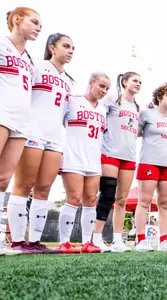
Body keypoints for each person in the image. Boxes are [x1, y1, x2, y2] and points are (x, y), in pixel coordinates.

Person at [7, 33, 73, 254]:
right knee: (23, 186)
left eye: (73, 47)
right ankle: (17, 241)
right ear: (52, 48)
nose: (71, 50)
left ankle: (34, 241)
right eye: (66, 46)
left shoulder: (68, 81)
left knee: (44, 189)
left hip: (55, 137)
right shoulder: (36, 65)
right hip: (32, 131)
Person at [0, 7, 40, 256]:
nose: (37, 27)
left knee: (4, 179)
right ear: (16, 19)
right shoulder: (2, 45)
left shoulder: (29, 59)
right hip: (1, 114)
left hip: (21, 121)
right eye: (34, 22)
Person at [56, 72, 110, 254]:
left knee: (90, 201)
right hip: (73, 157)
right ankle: (64, 242)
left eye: (107, 88)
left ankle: (88, 242)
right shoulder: (72, 101)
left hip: (93, 160)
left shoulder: (103, 110)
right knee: (73, 199)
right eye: (101, 86)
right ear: (91, 83)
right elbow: (58, 123)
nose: (104, 91)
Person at [93, 72, 141, 253]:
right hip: (110, 153)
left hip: (128, 156)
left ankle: (117, 240)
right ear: (124, 81)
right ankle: (96, 238)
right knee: (107, 195)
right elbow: (97, 114)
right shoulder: (112, 99)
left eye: (140, 82)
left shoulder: (137, 107)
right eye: (135, 80)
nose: (138, 84)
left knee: (121, 200)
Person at [134, 83, 167, 252]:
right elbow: (136, 133)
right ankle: (141, 240)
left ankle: (163, 240)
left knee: (165, 203)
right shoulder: (146, 113)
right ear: (159, 97)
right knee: (144, 201)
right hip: (149, 161)